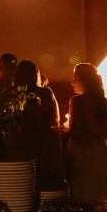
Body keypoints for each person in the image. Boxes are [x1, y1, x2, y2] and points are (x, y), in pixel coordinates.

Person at [6, 59, 64, 188]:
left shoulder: (11, 94)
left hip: (19, 145)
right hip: (43, 146)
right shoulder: (45, 94)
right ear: (35, 75)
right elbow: (51, 121)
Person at [65, 63, 107, 207]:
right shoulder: (103, 102)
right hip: (100, 150)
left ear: (83, 80)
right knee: (99, 190)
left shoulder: (77, 101)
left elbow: (74, 130)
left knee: (82, 189)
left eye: (74, 78)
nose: (72, 82)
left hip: (81, 151)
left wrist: (63, 130)